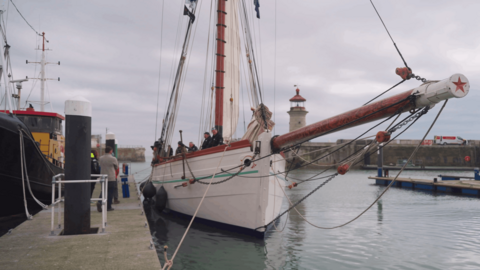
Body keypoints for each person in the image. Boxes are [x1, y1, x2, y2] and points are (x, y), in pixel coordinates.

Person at [97, 146, 119, 212]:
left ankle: (99, 202)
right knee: (110, 193)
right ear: (110, 151)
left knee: (103, 191)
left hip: (103, 177)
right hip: (111, 178)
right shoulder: (113, 158)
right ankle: (108, 207)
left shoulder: (100, 158)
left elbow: (99, 165)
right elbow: (116, 167)